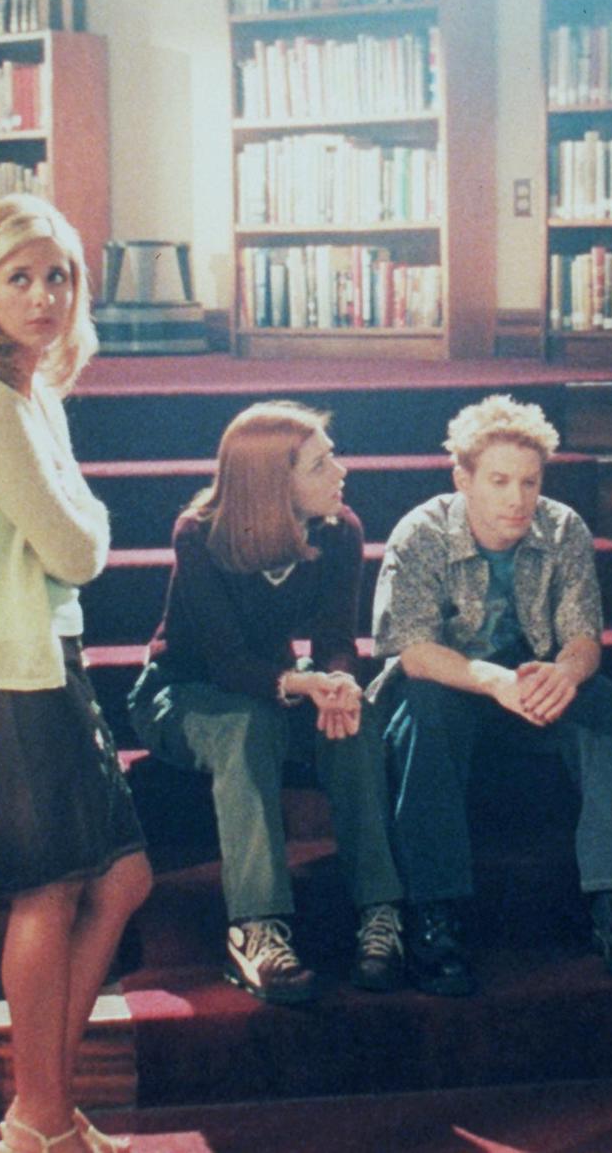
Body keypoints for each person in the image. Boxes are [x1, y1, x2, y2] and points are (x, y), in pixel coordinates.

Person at [0, 193, 150, 1153]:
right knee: (48, 890)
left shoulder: (30, 390)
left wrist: (79, 526)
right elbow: (79, 541)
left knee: (122, 876)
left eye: (58, 276)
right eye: (20, 277)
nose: (44, 295)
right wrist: (85, 524)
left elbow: (72, 540)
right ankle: (40, 1117)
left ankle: (38, 1107)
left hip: (43, 653)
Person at [371, 395, 612, 995]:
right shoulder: (420, 533)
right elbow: (413, 651)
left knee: (602, 702)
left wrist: (567, 672)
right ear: (464, 479)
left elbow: (584, 635)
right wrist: (492, 681)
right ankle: (435, 917)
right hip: (451, 683)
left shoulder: (563, 529)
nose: (517, 498)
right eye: (500, 481)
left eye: (529, 482)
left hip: (530, 682)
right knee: (427, 713)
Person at [129, 402, 405, 1004]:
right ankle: (256, 930)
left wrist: (337, 683)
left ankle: (380, 913)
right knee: (246, 727)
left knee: (356, 721)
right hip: (181, 691)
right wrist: (302, 685)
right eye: (320, 463)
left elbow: (335, 639)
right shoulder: (199, 534)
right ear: (272, 482)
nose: (341, 472)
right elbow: (225, 662)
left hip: (274, 682)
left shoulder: (340, 530)